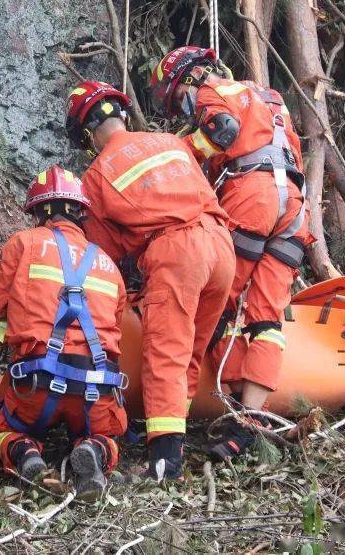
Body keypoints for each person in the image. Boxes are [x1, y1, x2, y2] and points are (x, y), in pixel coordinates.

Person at [64, 80, 235, 480]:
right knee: (191, 349)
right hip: (220, 245)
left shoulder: (95, 177)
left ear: (87, 134)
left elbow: (105, 255)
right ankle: (173, 429)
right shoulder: (169, 143)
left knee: (165, 352)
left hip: (176, 254)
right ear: (122, 114)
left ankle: (164, 461)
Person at [150, 46, 315, 458]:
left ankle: (182, 411)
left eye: (177, 98)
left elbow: (221, 130)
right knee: (265, 317)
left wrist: (178, 152)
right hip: (294, 204)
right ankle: (248, 422)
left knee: (221, 300)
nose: (183, 106)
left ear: (190, 79)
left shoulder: (213, 91)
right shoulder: (269, 97)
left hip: (251, 195)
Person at [0, 166, 128, 499]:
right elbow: (114, 327)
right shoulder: (108, 263)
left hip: (36, 384)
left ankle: (25, 453)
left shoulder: (23, 243)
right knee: (108, 436)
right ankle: (95, 449)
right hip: (95, 390)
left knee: (7, 427)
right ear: (80, 213)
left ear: (38, 212)